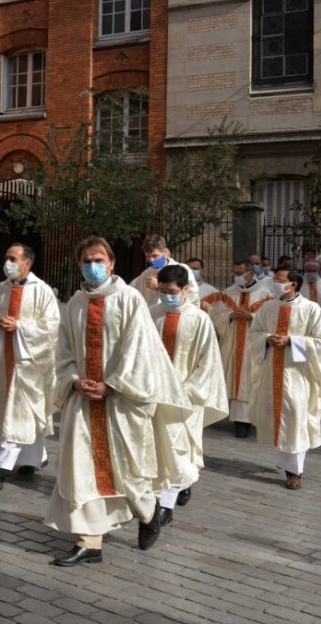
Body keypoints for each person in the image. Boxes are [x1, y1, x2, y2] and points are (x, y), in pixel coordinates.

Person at [43, 236, 189, 567]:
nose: (91, 266)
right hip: (83, 400)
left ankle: (149, 511)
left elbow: (140, 351)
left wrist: (111, 385)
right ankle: (89, 542)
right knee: (83, 469)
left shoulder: (129, 300)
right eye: (85, 261)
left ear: (111, 264)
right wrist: (73, 380)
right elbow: (62, 351)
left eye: (97, 259)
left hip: (123, 400)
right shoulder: (76, 303)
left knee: (128, 469)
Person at [244, 269, 321, 490]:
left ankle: (295, 472)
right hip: (271, 371)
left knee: (295, 417)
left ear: (293, 284)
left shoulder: (311, 309)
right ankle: (285, 464)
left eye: (279, 280)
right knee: (277, 417)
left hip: (297, 374)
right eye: (275, 280)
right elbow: (253, 333)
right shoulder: (268, 307)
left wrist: (292, 341)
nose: (274, 283)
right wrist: (267, 339)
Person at [152, 264, 227, 522]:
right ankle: (167, 496)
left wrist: (187, 390)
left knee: (178, 450)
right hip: (155, 396)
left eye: (171, 291)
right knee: (158, 450)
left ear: (185, 289)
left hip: (186, 399)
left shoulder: (199, 319)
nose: (165, 296)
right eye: (161, 291)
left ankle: (166, 505)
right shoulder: (151, 314)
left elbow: (208, 363)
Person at [0, 244, 58, 492]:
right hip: (4, 360)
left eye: (13, 259)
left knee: (19, 411)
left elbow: (52, 327)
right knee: (26, 413)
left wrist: (21, 327)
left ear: (27, 263)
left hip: (30, 364)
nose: (8, 263)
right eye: (6, 258)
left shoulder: (42, 292)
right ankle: (33, 458)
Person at [204, 258, 274, 438]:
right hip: (233, 342)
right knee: (236, 378)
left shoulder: (265, 294)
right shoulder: (228, 293)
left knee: (251, 378)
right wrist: (230, 316)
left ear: (250, 273)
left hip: (254, 343)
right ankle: (238, 421)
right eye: (235, 273)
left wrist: (252, 315)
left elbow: (273, 317)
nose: (236, 277)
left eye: (239, 273)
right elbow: (216, 314)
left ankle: (250, 420)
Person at [129, 234, 197, 306]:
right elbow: (130, 290)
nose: (151, 260)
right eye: (148, 256)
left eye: (155, 256)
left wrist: (159, 288)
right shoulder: (146, 274)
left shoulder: (182, 270)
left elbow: (193, 295)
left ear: (164, 251)